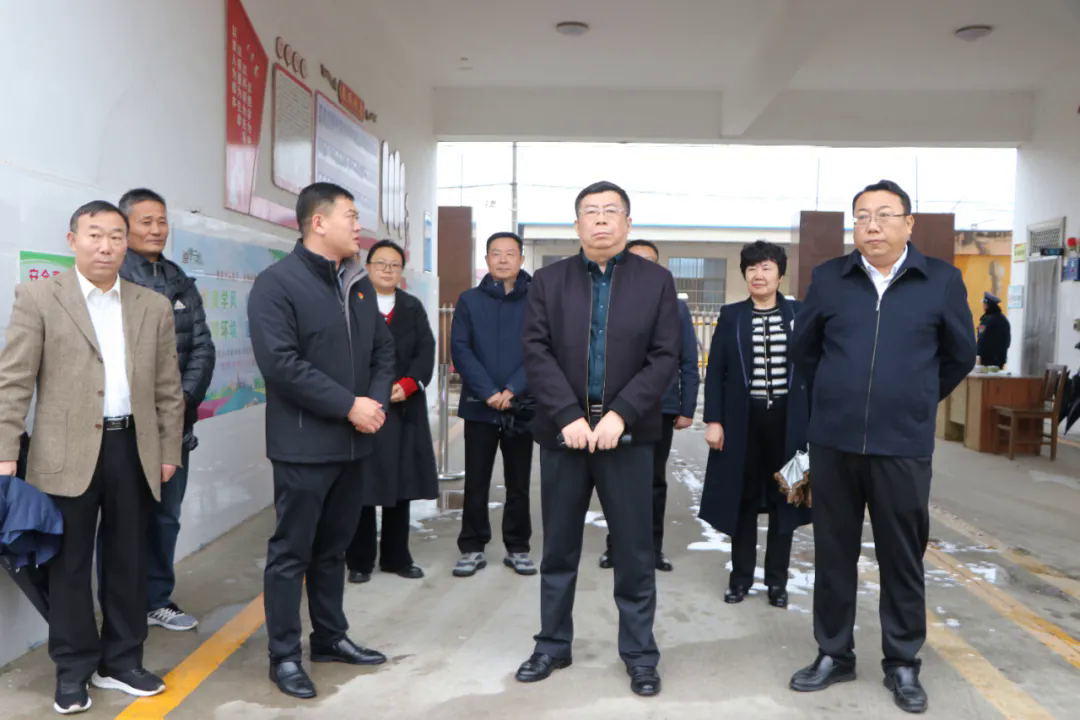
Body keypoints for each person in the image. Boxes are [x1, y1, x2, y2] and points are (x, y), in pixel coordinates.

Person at [788, 180, 976, 714]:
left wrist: (916, 398)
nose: (872, 225)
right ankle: (834, 653)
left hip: (903, 445)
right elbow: (806, 349)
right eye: (863, 216)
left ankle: (902, 662)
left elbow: (959, 355)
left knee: (902, 557)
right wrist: (835, 396)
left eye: (885, 214)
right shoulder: (830, 278)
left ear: (908, 223)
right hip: (834, 441)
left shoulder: (940, 280)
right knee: (833, 553)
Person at [0, 201, 185, 714]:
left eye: (116, 237)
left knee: (128, 560)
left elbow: (168, 388)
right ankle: (73, 668)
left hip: (133, 448)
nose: (106, 246)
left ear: (127, 243)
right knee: (69, 565)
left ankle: (122, 661)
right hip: (64, 452)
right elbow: (14, 380)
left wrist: (168, 449)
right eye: (95, 235)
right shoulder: (39, 297)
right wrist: (5, 453)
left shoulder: (153, 306)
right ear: (73, 240)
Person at [516, 181, 679, 698]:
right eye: (591, 211)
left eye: (612, 211)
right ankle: (551, 644)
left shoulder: (656, 282)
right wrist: (566, 414)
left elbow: (665, 356)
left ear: (628, 223)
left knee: (634, 552)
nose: (602, 220)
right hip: (564, 435)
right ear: (577, 224)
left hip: (626, 439)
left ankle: (640, 654)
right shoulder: (549, 280)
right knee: (558, 549)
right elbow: (536, 349)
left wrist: (622, 415)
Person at [248, 182, 396, 700]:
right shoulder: (276, 285)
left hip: (354, 444)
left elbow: (383, 351)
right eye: (350, 216)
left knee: (333, 551)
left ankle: (330, 638)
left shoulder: (357, 284)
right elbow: (281, 365)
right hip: (304, 446)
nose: (359, 226)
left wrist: (374, 403)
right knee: (292, 553)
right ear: (318, 222)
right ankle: (284, 656)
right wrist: (349, 405)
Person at [109, 188, 215, 633]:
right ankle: (120, 608)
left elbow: (203, 348)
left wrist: (179, 404)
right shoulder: (114, 278)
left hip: (175, 426)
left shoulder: (178, 278)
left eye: (162, 221)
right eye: (146, 221)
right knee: (123, 520)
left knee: (166, 516)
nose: (157, 230)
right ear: (124, 227)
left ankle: (156, 599)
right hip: (124, 425)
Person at [699, 240, 811, 610]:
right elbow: (716, 372)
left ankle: (777, 582)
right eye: (751, 268)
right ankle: (741, 578)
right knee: (743, 501)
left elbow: (815, 369)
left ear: (780, 275)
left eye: (766, 268)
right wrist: (714, 420)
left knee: (786, 499)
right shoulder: (732, 315)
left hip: (789, 425)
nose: (758, 275)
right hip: (743, 424)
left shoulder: (800, 313)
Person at [598, 239, 698, 573]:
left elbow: (687, 358)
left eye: (650, 261)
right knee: (616, 480)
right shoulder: (606, 299)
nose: (643, 266)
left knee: (653, 481)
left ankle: (652, 548)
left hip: (660, 407)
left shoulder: (675, 306)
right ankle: (616, 546)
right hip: (614, 408)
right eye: (636, 259)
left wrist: (687, 406)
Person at [345, 239, 438, 583]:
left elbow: (426, 351)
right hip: (364, 407)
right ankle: (359, 561)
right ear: (367, 267)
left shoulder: (412, 307)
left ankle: (397, 557)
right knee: (362, 487)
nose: (387, 270)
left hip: (404, 409)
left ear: (402, 271)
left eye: (394, 265)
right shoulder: (353, 303)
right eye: (380, 263)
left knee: (401, 484)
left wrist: (410, 384)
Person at [450, 231, 536, 578]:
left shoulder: (537, 300)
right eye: (496, 253)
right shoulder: (469, 300)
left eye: (510, 253)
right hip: (479, 404)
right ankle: (472, 547)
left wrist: (513, 388)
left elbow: (541, 348)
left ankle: (518, 547)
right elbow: (460, 349)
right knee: (476, 481)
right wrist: (487, 391)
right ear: (486, 259)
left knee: (519, 482)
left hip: (521, 406)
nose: (503, 259)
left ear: (521, 259)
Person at [976, 291, 1010, 369]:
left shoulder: (986, 320)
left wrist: (978, 354)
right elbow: (1008, 340)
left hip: (987, 358)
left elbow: (981, 338)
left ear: (987, 305)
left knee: (987, 376)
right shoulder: (1004, 320)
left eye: (983, 304)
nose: (983, 306)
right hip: (1000, 358)